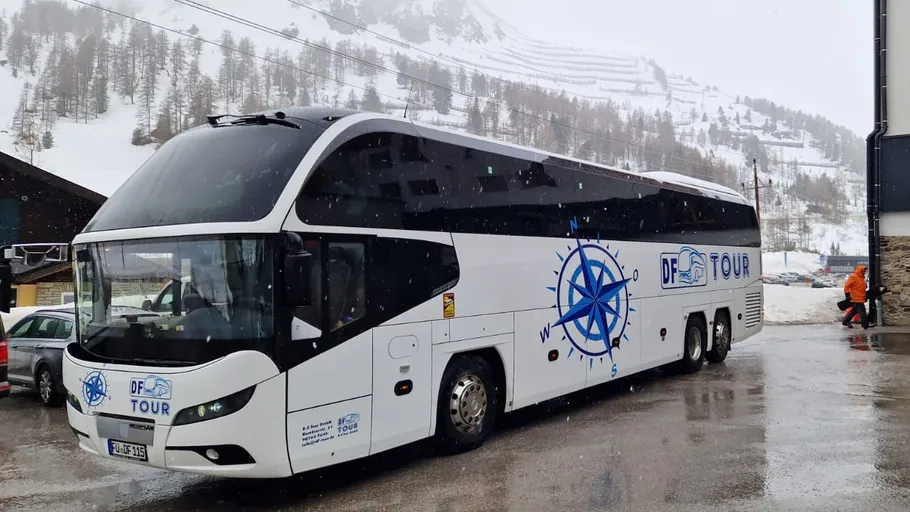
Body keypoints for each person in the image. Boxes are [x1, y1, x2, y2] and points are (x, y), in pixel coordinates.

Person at [842, 265, 870, 329]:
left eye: (865, 271)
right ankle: (865, 325)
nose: (864, 272)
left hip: (860, 298)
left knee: (854, 311)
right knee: (862, 312)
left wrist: (865, 286)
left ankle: (845, 321)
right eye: (863, 270)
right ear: (860, 270)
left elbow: (861, 288)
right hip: (855, 298)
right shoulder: (853, 277)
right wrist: (847, 295)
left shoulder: (862, 278)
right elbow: (846, 286)